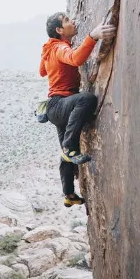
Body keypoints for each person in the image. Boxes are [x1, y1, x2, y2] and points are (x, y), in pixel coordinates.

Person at [39, 12, 116, 207]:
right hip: (61, 105)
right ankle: (70, 149)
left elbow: (42, 71)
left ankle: (69, 194)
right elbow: (75, 59)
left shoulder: (50, 48)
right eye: (66, 20)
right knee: (87, 99)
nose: (72, 21)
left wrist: (47, 55)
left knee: (66, 152)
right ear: (59, 30)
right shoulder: (59, 48)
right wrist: (93, 36)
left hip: (57, 108)